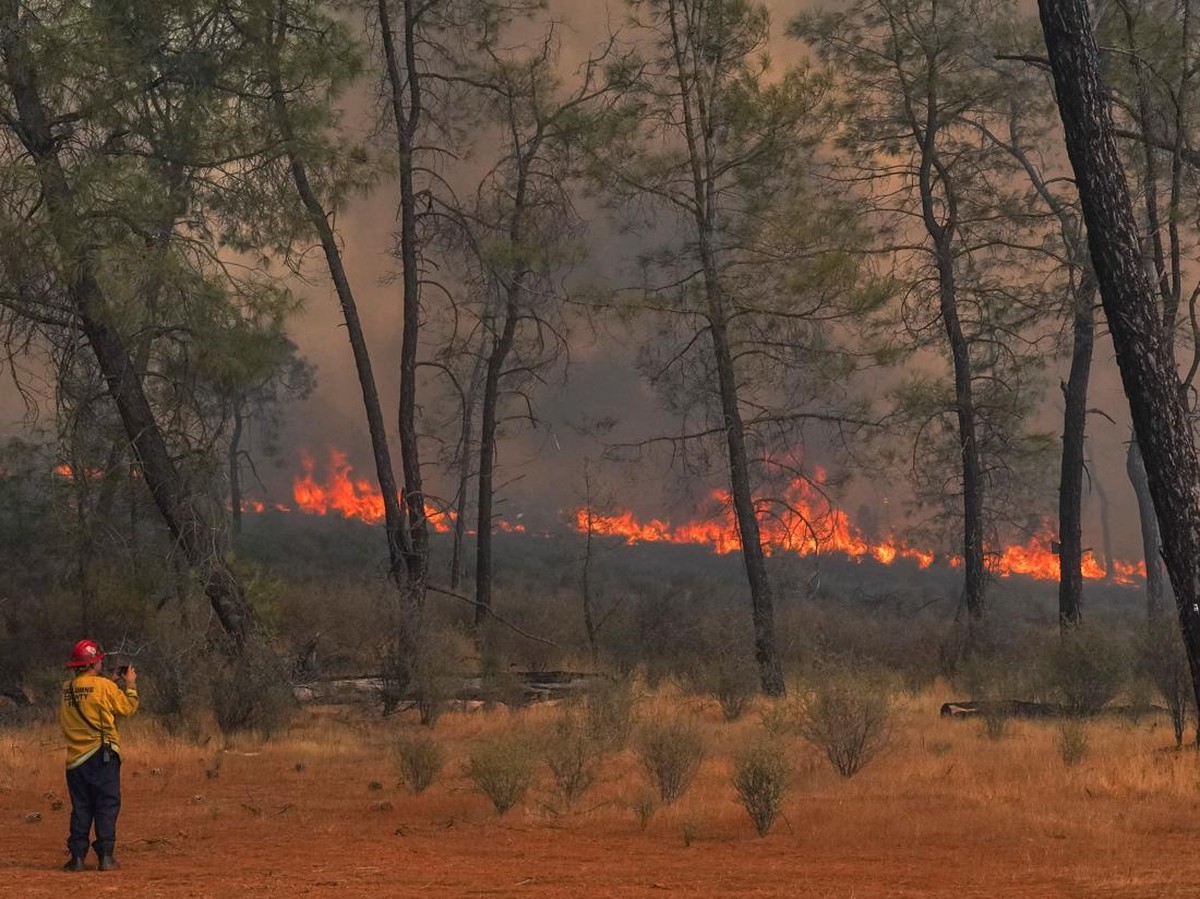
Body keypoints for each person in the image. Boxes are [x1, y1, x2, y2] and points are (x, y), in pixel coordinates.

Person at [58, 639, 139, 872]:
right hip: (102, 756)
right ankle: (105, 856)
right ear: (94, 663)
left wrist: (110, 683)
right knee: (106, 804)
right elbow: (127, 708)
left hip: (75, 760)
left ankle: (77, 858)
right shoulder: (104, 687)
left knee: (81, 806)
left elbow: (88, 700)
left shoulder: (67, 689)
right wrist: (130, 684)